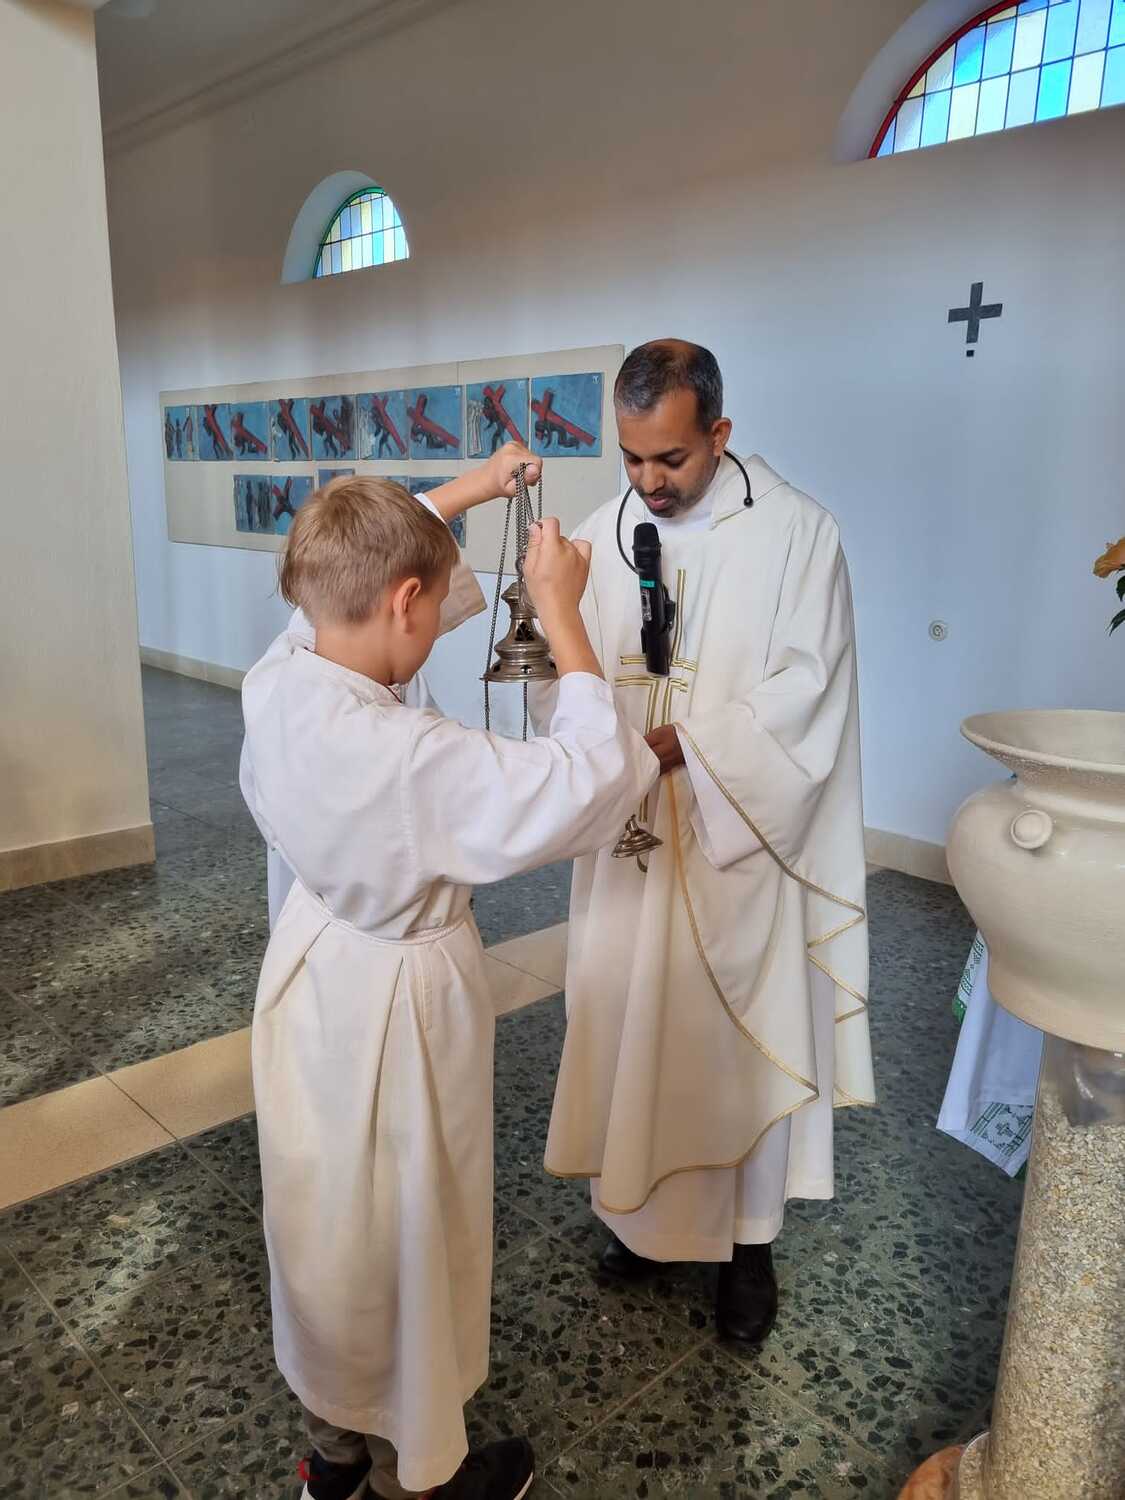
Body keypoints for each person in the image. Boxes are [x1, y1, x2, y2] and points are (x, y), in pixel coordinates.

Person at [239, 449, 657, 1500]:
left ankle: (331, 1454)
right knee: (405, 1229)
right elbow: (594, 778)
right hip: (398, 1009)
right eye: (430, 605)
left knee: (323, 1219)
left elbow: (351, 567)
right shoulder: (410, 756)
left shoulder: (280, 677)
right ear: (405, 599)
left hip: (312, 976)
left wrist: (468, 490)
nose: (437, 624)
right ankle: (417, 1477)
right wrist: (561, 614)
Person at [535, 340, 876, 1345]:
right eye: (631, 457)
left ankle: (746, 1248)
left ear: (719, 434)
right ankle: (640, 1223)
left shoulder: (798, 535)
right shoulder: (601, 532)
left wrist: (679, 747)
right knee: (627, 1022)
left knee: (732, 1043)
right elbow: (561, 665)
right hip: (630, 844)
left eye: (671, 459)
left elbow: (808, 692)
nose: (648, 482)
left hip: (739, 844)